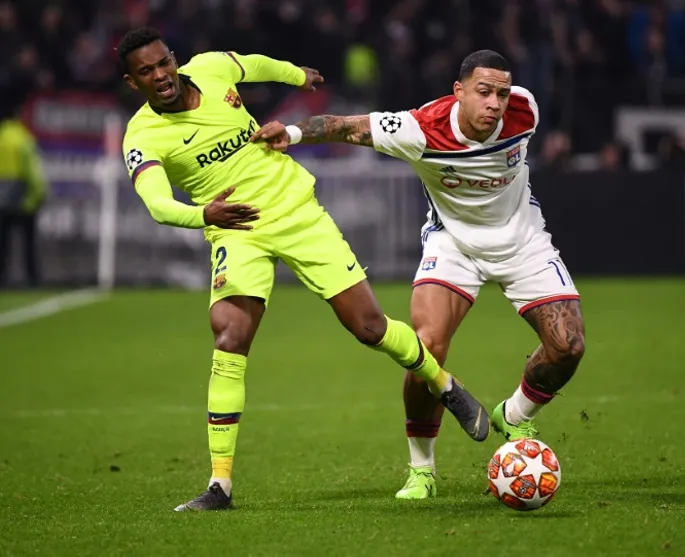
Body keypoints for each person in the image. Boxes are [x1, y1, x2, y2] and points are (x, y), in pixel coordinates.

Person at [116, 28, 491, 512]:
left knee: (370, 327)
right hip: (235, 229)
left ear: (174, 58)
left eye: (163, 62)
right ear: (133, 83)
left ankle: (444, 385)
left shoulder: (210, 68)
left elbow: (254, 62)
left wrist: (297, 76)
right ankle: (219, 485)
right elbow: (157, 204)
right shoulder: (142, 135)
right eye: (146, 72)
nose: (161, 75)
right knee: (229, 336)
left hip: (297, 212)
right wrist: (205, 214)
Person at [251, 49, 587, 500]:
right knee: (426, 349)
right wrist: (292, 132)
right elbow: (344, 127)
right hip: (453, 245)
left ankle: (514, 415)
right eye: (484, 92)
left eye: (502, 94)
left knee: (568, 346)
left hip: (522, 240)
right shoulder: (420, 128)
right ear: (459, 91)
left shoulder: (525, 110)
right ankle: (422, 469)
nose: (495, 103)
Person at [0, 95, 47, 287]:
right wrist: (39, 195)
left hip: (2, 200)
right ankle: (32, 278)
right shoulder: (23, 139)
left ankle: (3, 278)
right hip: (23, 199)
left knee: (3, 243)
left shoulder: (2, 137)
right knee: (28, 242)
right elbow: (33, 172)